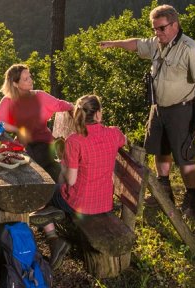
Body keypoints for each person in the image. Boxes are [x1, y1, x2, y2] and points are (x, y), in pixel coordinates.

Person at [98, 4, 195, 225]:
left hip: (181, 109)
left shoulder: (191, 49)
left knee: (185, 155)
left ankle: (191, 199)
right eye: (154, 29)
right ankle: (164, 190)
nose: (157, 33)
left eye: (161, 29)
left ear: (175, 25)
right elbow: (136, 44)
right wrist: (114, 44)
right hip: (158, 108)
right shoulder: (157, 43)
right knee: (160, 149)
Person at [39, 95, 128, 267]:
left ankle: (53, 236)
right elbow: (124, 140)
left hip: (80, 204)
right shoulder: (113, 134)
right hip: (104, 203)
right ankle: (53, 217)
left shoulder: (75, 140)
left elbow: (71, 180)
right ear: (99, 114)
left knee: (46, 191)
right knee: (58, 186)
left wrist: (63, 166)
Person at [0, 64, 73, 180]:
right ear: (15, 84)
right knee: (13, 163)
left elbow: (60, 104)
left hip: (44, 145)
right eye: (26, 79)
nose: (31, 80)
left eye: (30, 76)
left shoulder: (40, 96)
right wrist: (17, 129)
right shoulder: (8, 100)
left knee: (25, 164)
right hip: (25, 144)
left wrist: (75, 107)